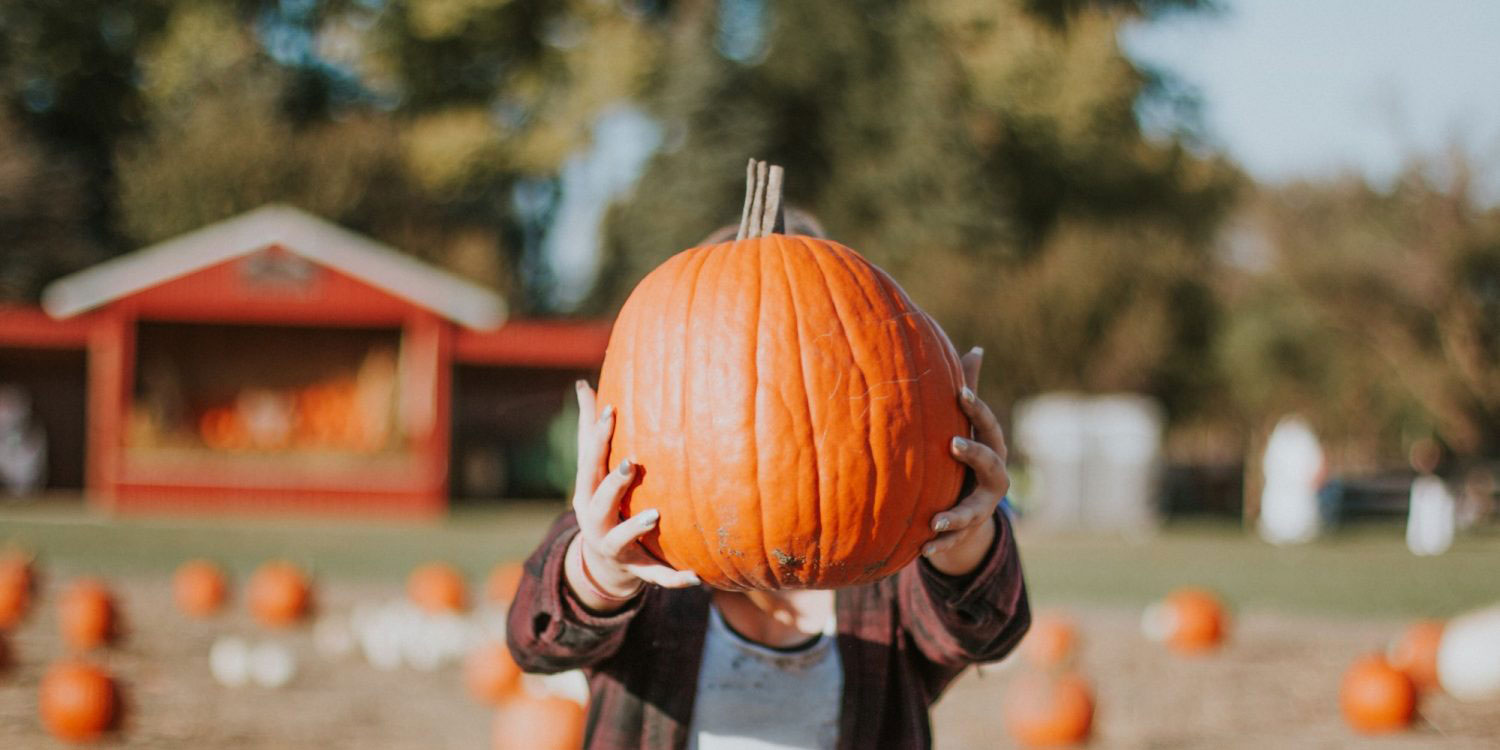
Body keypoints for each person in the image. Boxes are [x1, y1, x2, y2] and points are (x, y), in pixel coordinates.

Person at [507, 350, 1029, 749]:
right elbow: (538, 638)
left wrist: (956, 530)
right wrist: (603, 568)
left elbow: (985, 632)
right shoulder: (630, 534)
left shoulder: (893, 552)